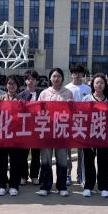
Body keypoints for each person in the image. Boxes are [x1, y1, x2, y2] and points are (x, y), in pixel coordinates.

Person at [37, 67, 73, 197]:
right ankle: (45, 186)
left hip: (61, 131)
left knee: (62, 160)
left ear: (62, 78)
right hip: (47, 130)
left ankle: (61, 186)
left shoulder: (68, 93)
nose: (56, 78)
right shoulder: (44, 93)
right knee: (46, 160)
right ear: (50, 78)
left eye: (59, 76)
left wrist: (71, 105)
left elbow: (74, 112)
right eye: (54, 76)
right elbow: (38, 111)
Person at [81, 73, 108, 198]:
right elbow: (81, 115)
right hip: (89, 135)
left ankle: (103, 187)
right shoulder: (86, 99)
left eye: (101, 83)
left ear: (105, 85)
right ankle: (88, 186)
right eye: (97, 83)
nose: (99, 85)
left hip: (104, 135)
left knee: (104, 161)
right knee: (88, 161)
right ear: (92, 85)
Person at [0, 75, 24, 196]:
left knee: (16, 161)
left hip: (16, 136)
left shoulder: (21, 100)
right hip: (1, 136)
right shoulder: (0, 99)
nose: (11, 86)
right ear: (6, 85)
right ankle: (1, 185)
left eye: (14, 84)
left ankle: (14, 185)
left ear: (17, 86)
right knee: (0, 161)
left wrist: (22, 107)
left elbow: (27, 117)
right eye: (9, 83)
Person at [65, 64, 91, 185]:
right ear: (71, 74)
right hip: (69, 122)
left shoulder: (88, 89)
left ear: (82, 74)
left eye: (79, 72)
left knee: (81, 150)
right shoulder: (66, 88)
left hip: (83, 122)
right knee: (67, 150)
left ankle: (80, 173)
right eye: (74, 72)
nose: (77, 75)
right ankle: (67, 173)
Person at [17, 70, 42, 185]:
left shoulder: (41, 94)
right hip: (24, 128)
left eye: (33, 79)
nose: (30, 81)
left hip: (38, 128)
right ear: (25, 81)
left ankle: (34, 175)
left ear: (36, 81)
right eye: (28, 79)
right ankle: (23, 175)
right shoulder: (20, 96)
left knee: (36, 154)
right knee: (23, 154)